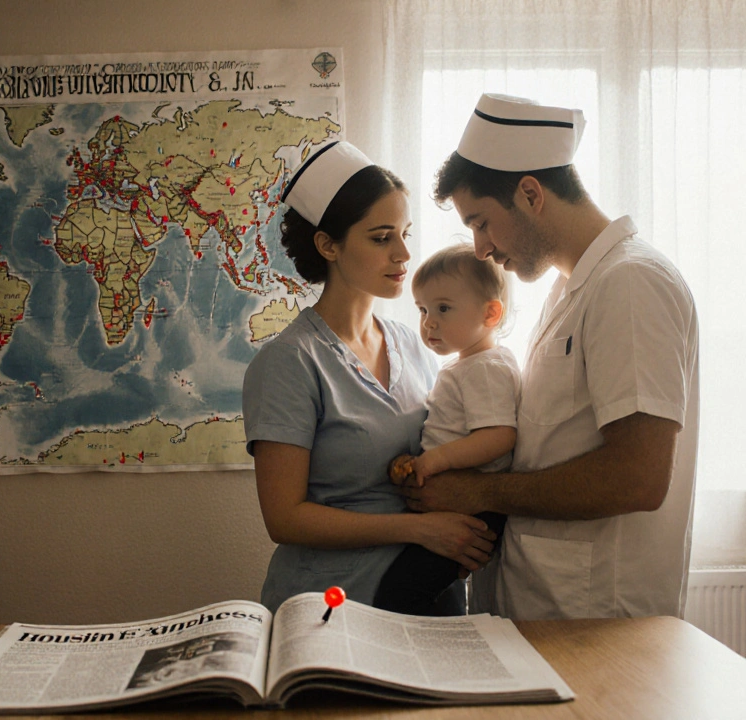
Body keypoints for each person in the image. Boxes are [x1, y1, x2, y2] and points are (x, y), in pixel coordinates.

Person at [398, 93, 700, 620]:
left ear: (531, 193)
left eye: (483, 222)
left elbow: (638, 477)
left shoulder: (630, 282)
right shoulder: (569, 291)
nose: (480, 249)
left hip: (597, 618)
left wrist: (475, 492)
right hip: (545, 607)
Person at [242, 141, 497, 614]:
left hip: (428, 593)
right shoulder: (289, 363)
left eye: (405, 233)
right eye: (381, 238)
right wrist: (420, 529)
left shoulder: (417, 345)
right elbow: (284, 519)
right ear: (328, 245)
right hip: (331, 606)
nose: (403, 254)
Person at [373, 243, 520, 615]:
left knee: (400, 596)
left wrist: (435, 461)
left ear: (490, 313)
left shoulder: (485, 367)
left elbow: (499, 437)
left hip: (474, 510)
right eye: (423, 309)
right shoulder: (465, 365)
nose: (429, 322)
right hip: (459, 504)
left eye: (443, 308)